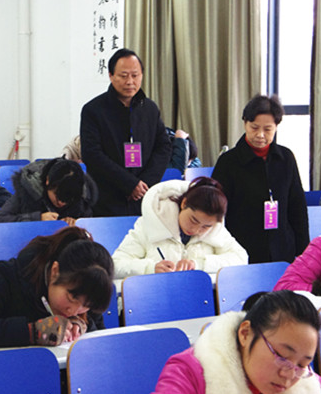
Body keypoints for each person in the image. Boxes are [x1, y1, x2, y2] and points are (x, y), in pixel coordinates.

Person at [149, 290, 321, 394]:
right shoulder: (189, 371)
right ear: (245, 333)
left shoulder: (301, 382)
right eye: (282, 356)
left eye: (302, 364)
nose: (289, 375)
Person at [0, 227, 114, 348]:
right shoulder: (11, 276)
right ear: (55, 271)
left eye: (86, 305)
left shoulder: (90, 288)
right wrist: (32, 332)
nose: (74, 310)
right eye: (72, 298)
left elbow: (100, 340)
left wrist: (83, 325)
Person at [212, 95, 309, 264]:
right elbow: (217, 210)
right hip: (241, 248)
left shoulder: (286, 158)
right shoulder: (228, 161)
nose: (260, 135)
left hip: (282, 248)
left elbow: (297, 206)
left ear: (276, 127)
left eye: (268, 129)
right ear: (245, 123)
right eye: (254, 127)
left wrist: (304, 252)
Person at [80, 48, 172, 217]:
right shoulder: (93, 110)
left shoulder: (150, 108)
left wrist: (143, 184)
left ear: (142, 75)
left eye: (135, 75)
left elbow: (163, 147)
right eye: (123, 76)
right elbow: (92, 154)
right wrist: (129, 184)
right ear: (111, 75)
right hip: (106, 199)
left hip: (144, 197)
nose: (130, 81)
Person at [112, 177, 247, 279]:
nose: (196, 230)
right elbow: (115, 265)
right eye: (193, 220)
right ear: (184, 203)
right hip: (154, 298)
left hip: (198, 299)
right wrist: (150, 268)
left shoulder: (215, 229)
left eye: (206, 226)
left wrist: (199, 264)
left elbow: (240, 258)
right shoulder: (149, 223)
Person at [0, 158, 97, 225]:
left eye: (68, 200)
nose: (61, 203)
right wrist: (37, 218)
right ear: (47, 181)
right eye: (57, 196)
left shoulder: (81, 196)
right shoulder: (28, 190)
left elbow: (89, 227)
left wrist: (77, 223)